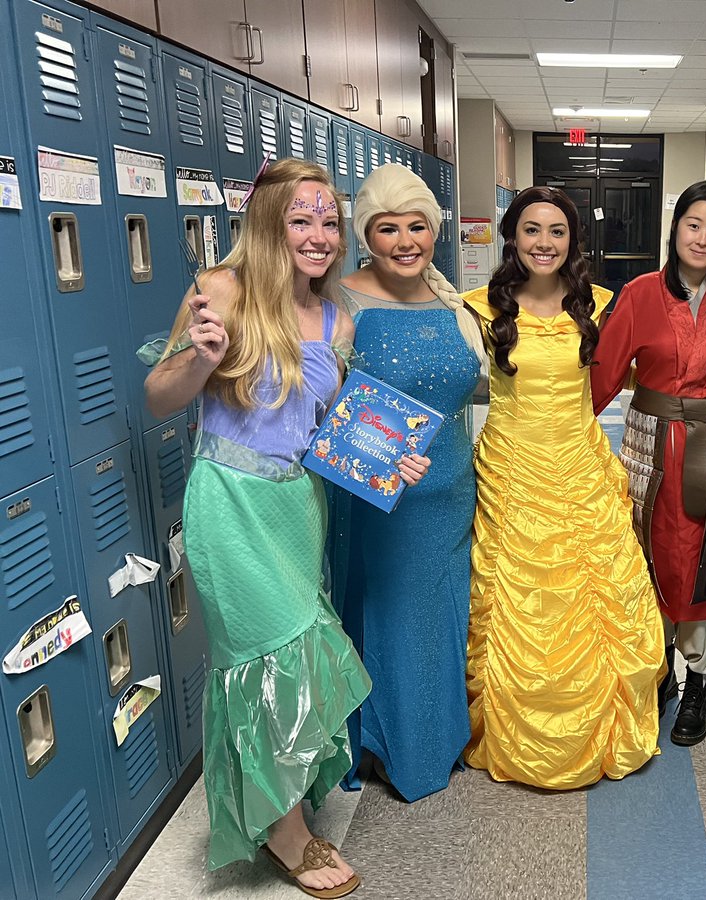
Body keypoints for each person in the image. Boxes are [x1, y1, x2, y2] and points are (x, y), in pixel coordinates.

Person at [144, 159, 392, 896]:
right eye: (300, 219)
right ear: (266, 223)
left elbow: (333, 430)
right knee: (263, 657)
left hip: (297, 506)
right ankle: (288, 836)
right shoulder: (221, 290)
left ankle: (281, 798)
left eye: (329, 221)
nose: (319, 235)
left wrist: (390, 459)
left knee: (301, 649)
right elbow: (158, 395)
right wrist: (202, 361)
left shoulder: (336, 318)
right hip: (229, 503)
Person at [462, 186, 663, 790]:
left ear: (573, 241)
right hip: (512, 470)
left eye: (557, 231)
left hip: (580, 466)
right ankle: (512, 727)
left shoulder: (596, 303)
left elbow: (637, 367)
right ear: (512, 237)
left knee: (598, 594)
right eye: (532, 229)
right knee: (514, 599)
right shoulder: (478, 308)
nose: (544, 243)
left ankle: (602, 724)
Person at [591, 179, 706, 747]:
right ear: (675, 228)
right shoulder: (639, 293)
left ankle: (699, 685)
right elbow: (602, 376)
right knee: (649, 552)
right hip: (649, 447)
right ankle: (658, 664)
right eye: (694, 225)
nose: (703, 238)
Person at [335, 164, 484, 800]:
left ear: (434, 230)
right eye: (387, 229)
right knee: (388, 617)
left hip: (450, 491)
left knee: (442, 617)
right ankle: (382, 745)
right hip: (376, 500)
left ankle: (434, 741)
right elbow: (319, 403)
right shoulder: (340, 300)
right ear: (365, 236)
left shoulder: (454, 304)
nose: (404, 242)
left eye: (416, 226)